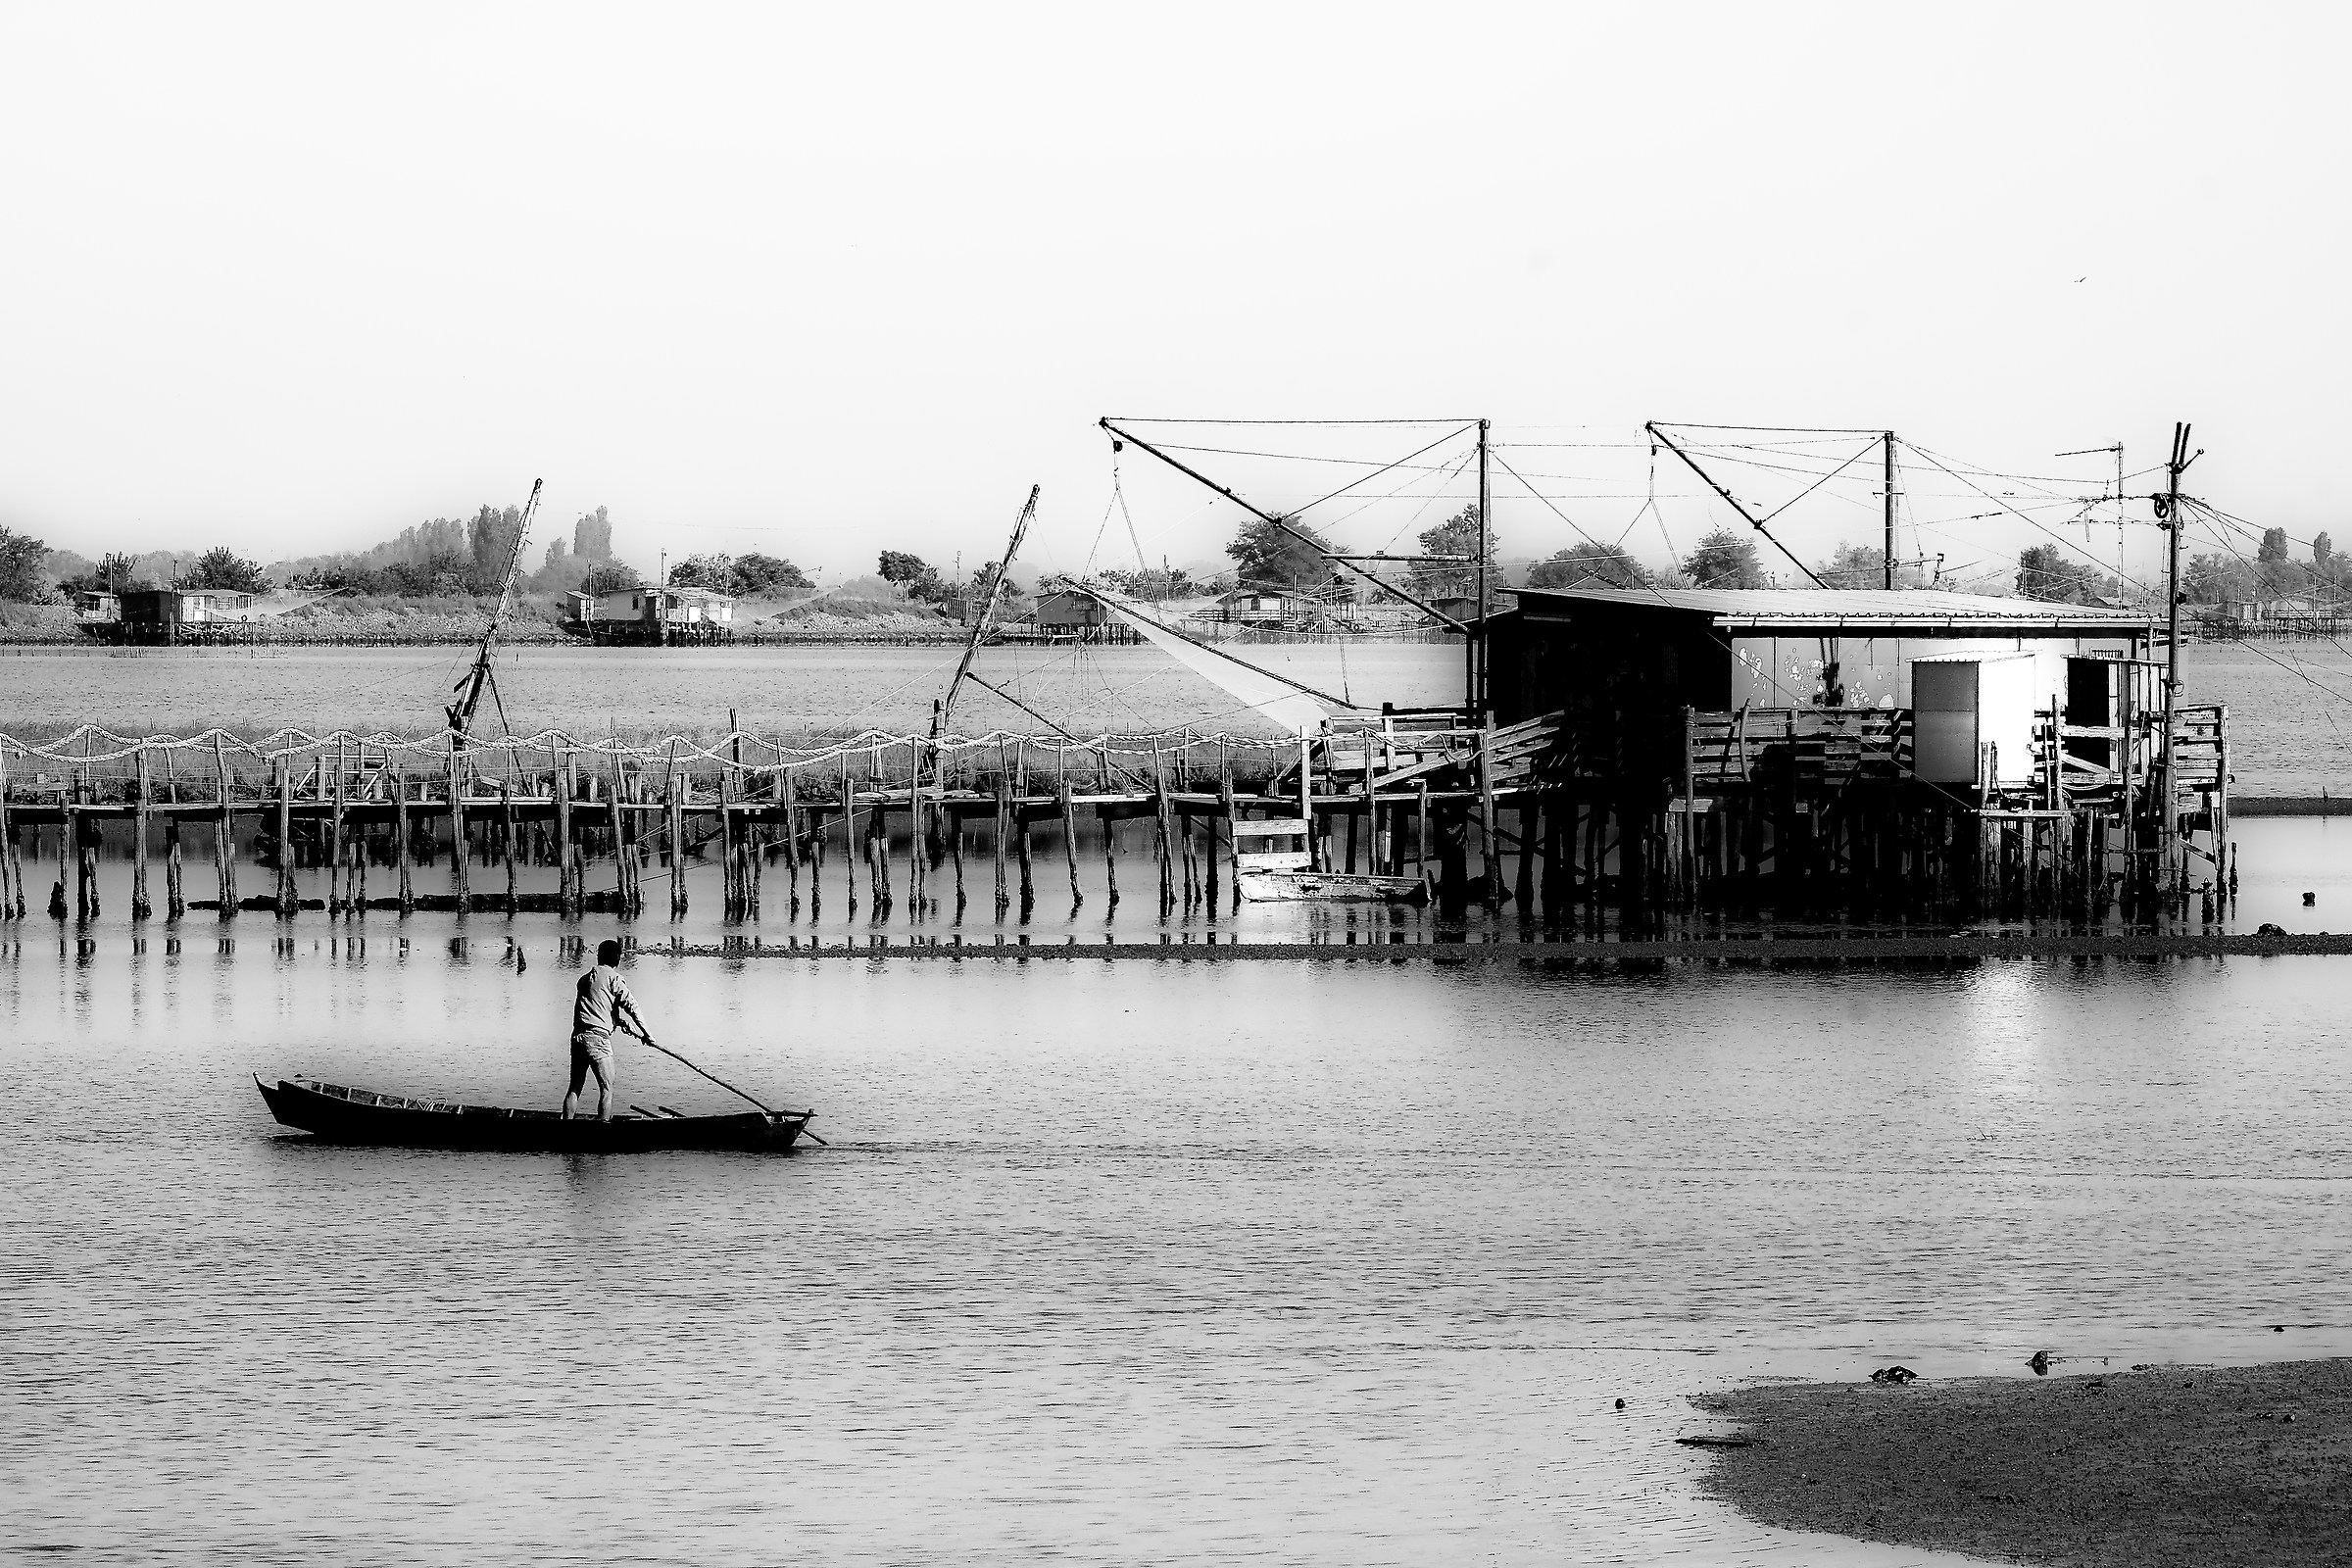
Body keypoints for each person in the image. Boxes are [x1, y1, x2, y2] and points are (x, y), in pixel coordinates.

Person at [564, 939, 655, 1121]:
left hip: (578, 1038)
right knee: (607, 1088)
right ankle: (602, 1133)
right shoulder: (614, 978)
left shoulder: (584, 980)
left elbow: (597, 1007)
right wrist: (647, 1034)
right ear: (617, 959)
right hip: (598, 1040)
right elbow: (632, 1006)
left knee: (575, 1087)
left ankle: (565, 1127)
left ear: (599, 956)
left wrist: (619, 1022)